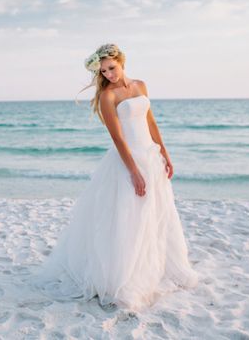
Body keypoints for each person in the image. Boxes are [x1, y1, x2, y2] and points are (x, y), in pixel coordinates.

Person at [32, 43, 199, 311]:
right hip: (128, 161)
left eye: (112, 68)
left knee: (156, 214)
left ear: (121, 61)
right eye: (104, 71)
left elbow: (151, 122)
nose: (109, 74)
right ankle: (126, 276)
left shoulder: (141, 85)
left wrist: (165, 154)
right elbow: (118, 137)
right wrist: (133, 170)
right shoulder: (107, 97)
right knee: (129, 218)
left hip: (151, 157)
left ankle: (156, 268)